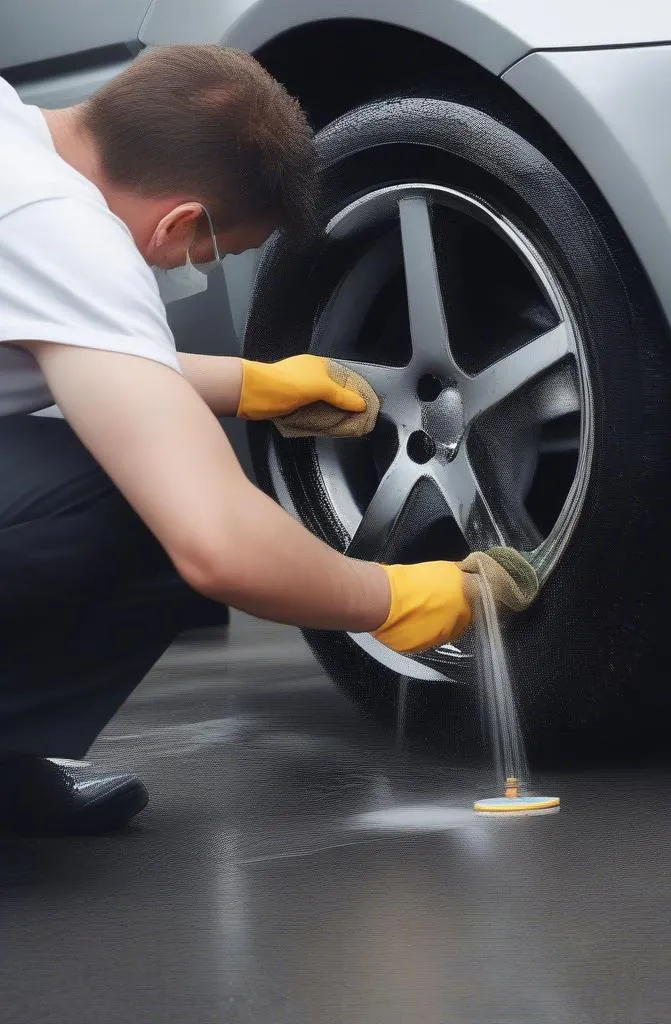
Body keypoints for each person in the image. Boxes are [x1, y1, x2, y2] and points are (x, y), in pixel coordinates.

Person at [0, 44, 534, 835]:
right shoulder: (59, 228)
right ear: (182, 220)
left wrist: (255, 385)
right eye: (214, 255)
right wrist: (387, 599)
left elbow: (67, 351)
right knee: (146, 500)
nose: (200, 271)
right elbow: (215, 542)